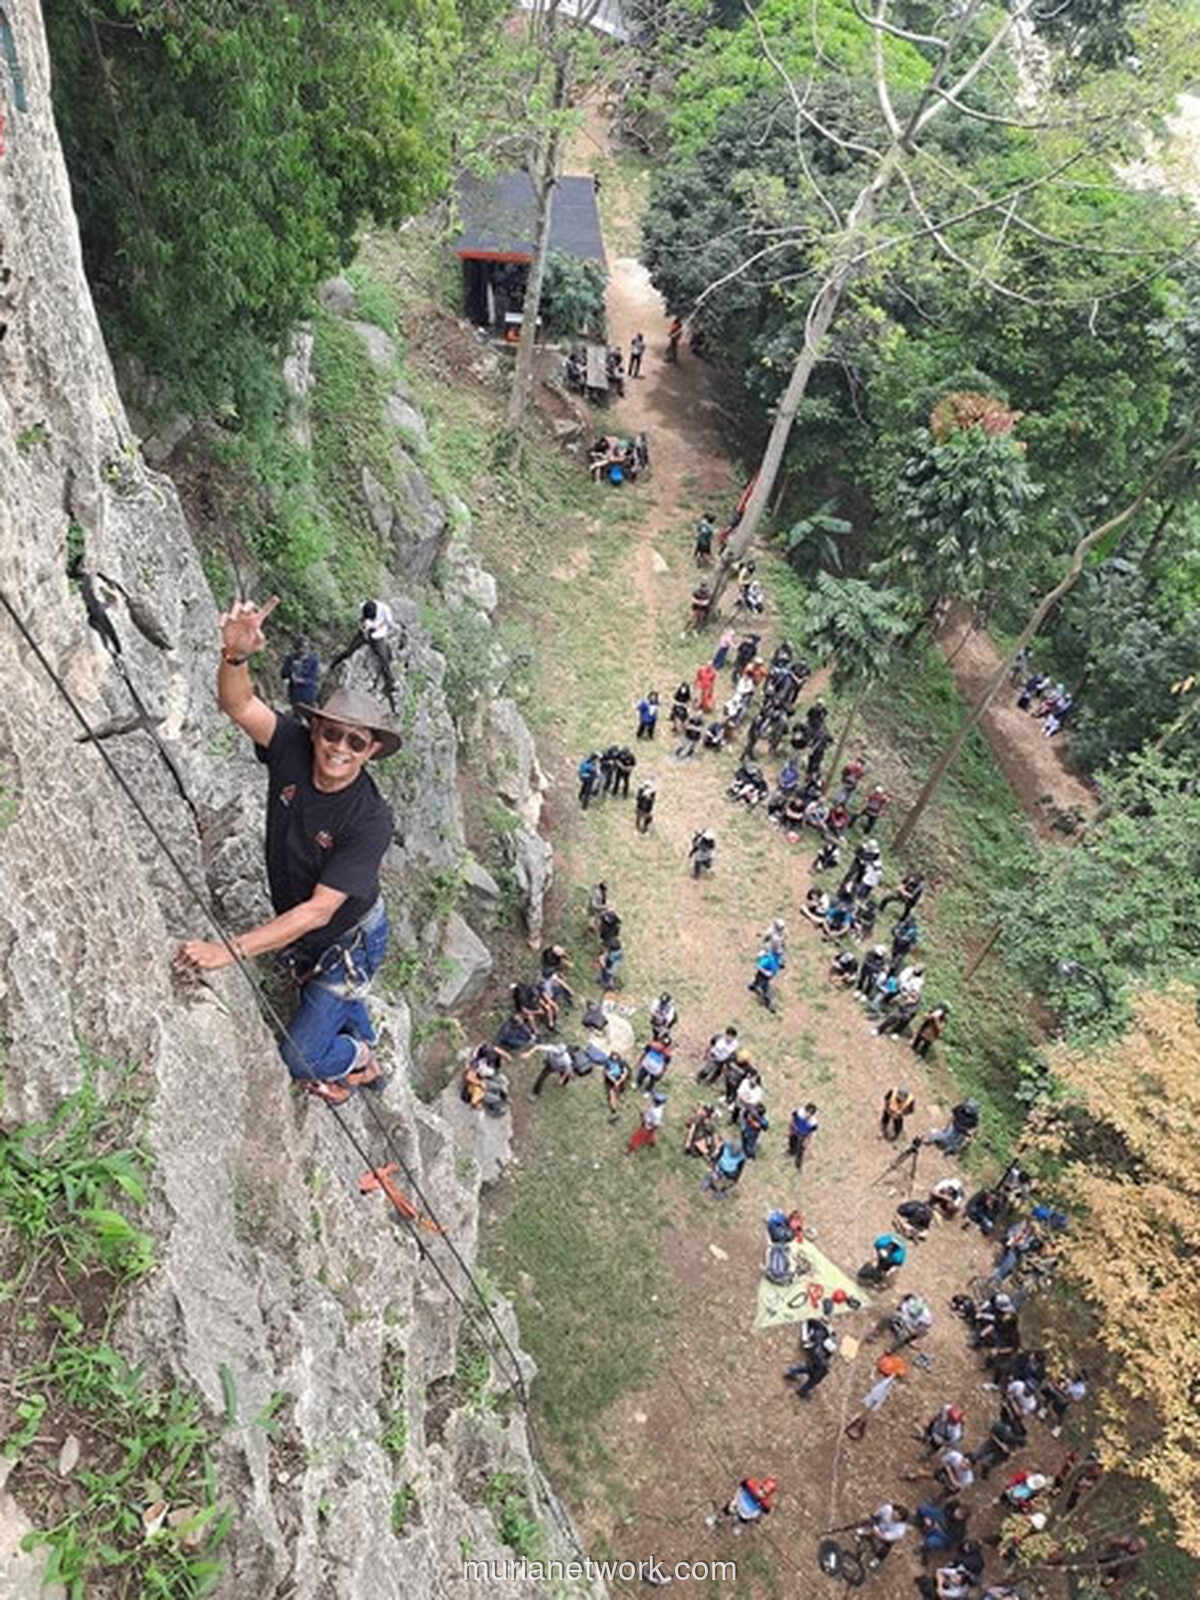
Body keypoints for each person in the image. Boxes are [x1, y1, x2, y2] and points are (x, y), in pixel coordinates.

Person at [175, 599, 398, 1105]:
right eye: (333, 732)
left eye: (356, 742)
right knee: (328, 990)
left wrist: (226, 952)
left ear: (372, 751)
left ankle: (358, 1060)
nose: (340, 747)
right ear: (316, 729)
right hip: (314, 930)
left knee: (299, 1060)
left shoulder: (368, 819)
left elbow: (319, 911)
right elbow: (240, 706)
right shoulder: (293, 746)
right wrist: (234, 657)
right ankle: (355, 1025)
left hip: (349, 937)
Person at [325, 598, 403, 713]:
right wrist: (364, 628)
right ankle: (333, 663)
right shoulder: (362, 607)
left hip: (378, 635)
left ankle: (390, 683)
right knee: (349, 651)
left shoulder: (385, 610)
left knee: (383, 658)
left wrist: (378, 627)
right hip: (365, 633)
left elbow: (390, 624)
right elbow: (360, 621)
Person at [707, 1476, 777, 1535]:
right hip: (737, 1504)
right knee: (726, 1511)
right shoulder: (750, 1484)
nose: (760, 1493)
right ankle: (716, 1518)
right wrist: (735, 1499)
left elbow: (762, 1512)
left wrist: (756, 1518)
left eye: (765, 1493)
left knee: (742, 1521)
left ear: (768, 1495)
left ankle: (737, 1525)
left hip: (746, 1514)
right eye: (761, 1488)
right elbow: (740, 1488)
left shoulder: (765, 1504)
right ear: (760, 1484)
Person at [785, 1320, 837, 1399]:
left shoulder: (819, 1345)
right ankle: (802, 1391)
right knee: (811, 1379)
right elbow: (822, 1364)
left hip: (813, 1363)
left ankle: (791, 1372)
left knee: (805, 1368)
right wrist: (825, 1368)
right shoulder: (819, 1351)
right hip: (816, 1368)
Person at [281, 635, 320, 710]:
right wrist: (291, 672)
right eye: (302, 647)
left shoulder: (313, 660)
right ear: (297, 648)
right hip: (294, 693)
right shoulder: (291, 658)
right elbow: (283, 674)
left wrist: (302, 681)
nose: (304, 650)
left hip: (308, 693)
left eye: (306, 647)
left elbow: (314, 678)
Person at [787, 1103, 819, 1171]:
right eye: (807, 1112)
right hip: (795, 1130)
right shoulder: (799, 1112)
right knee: (792, 1142)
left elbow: (811, 1133)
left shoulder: (813, 1123)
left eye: (810, 1114)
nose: (808, 1115)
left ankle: (798, 1166)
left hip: (803, 1136)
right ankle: (791, 1152)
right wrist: (791, 1129)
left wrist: (807, 1142)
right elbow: (792, 1119)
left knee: (800, 1151)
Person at [603, 1050, 630, 1119]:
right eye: (613, 1056)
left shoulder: (621, 1062)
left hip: (619, 1079)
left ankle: (620, 1096)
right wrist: (614, 1081)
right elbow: (606, 1073)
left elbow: (625, 1072)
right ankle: (614, 1109)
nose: (614, 1057)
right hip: (611, 1080)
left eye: (616, 1056)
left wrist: (619, 1081)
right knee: (612, 1094)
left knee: (620, 1089)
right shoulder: (608, 1062)